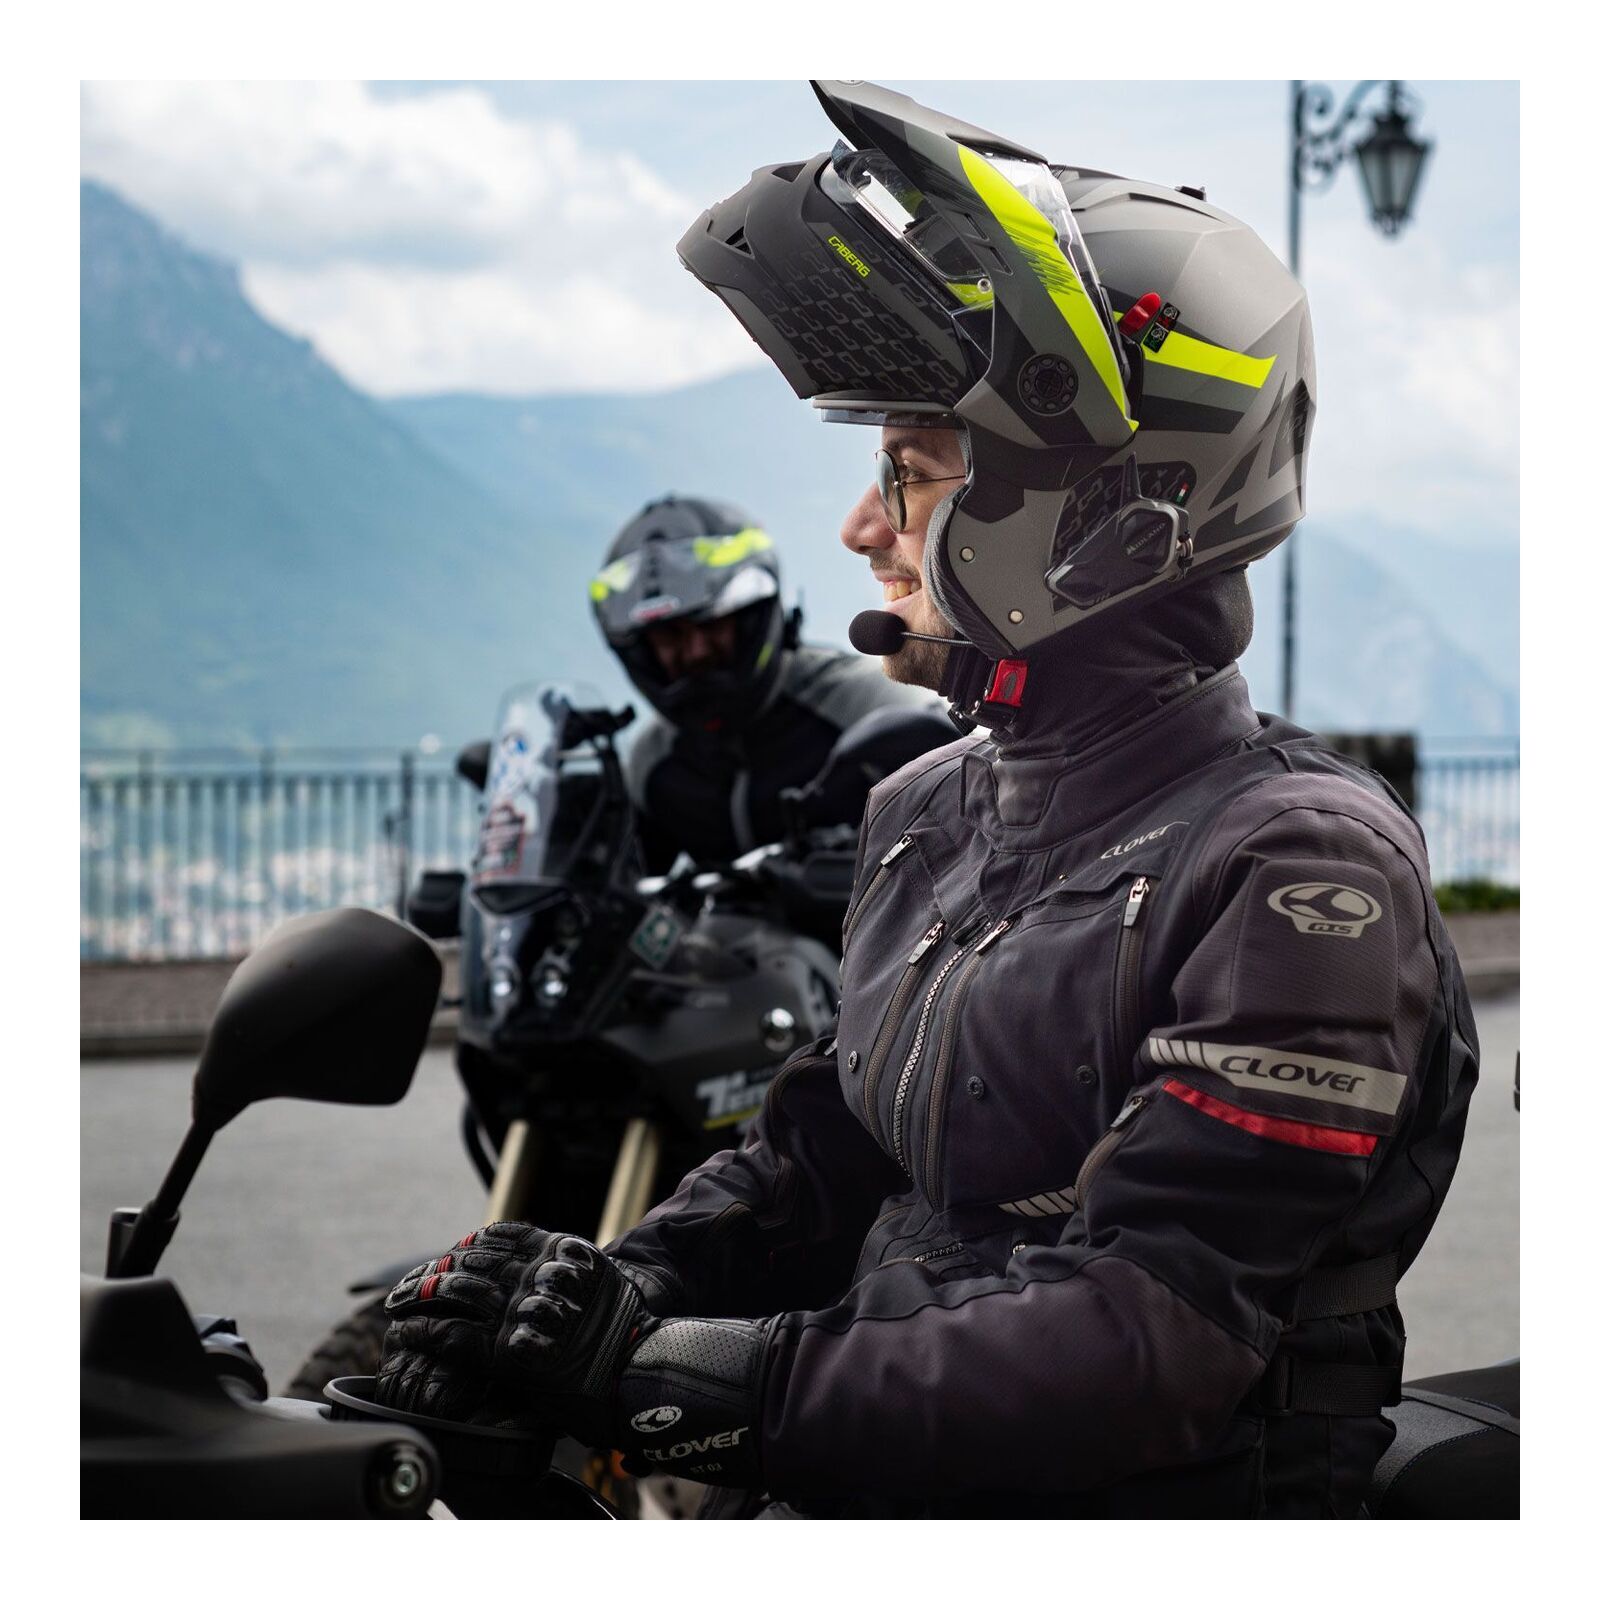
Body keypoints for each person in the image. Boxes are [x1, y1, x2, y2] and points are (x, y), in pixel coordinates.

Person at [377, 81, 1479, 1518]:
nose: (862, 526)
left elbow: (1152, 1336)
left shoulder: (1299, 867)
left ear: (1093, 516)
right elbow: (819, 1162)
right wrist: (596, 1296)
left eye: (907, 471)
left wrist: (678, 1380)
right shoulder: (930, 809)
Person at [590, 494, 938, 875]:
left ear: (751, 618)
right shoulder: (651, 764)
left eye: (712, 623)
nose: (696, 651)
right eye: (670, 635)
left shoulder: (867, 703)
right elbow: (622, 881)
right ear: (642, 650)